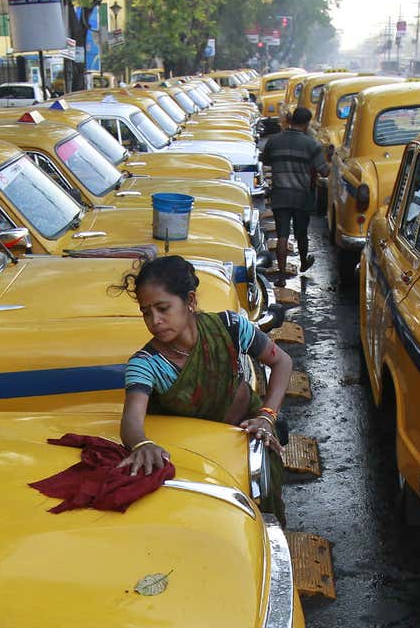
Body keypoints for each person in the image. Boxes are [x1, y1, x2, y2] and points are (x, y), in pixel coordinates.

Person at [116, 256, 294, 512]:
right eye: (146, 312)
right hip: (198, 458)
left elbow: (282, 362)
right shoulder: (146, 364)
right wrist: (142, 444)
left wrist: (267, 416)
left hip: (246, 444)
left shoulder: (230, 327)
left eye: (163, 308)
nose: (154, 320)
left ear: (189, 300)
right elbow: (131, 421)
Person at [261, 106, 328, 282]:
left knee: (282, 235)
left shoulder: (275, 141)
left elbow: (266, 160)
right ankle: (304, 262)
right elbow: (325, 172)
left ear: (291, 120)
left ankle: (281, 275)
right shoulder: (310, 144)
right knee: (301, 233)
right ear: (306, 123)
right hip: (301, 196)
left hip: (280, 194)